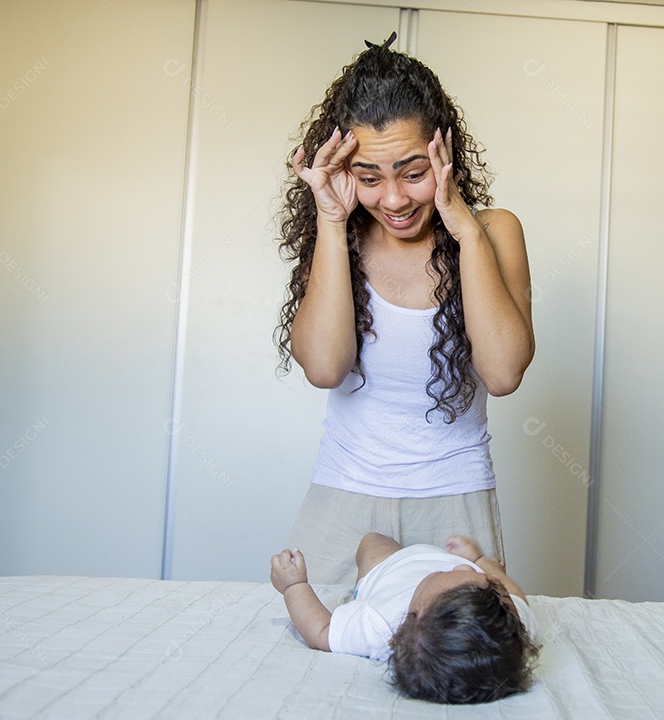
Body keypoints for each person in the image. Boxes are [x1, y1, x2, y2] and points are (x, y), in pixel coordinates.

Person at [274, 33, 534, 584]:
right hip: (344, 495)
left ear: (444, 155)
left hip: (453, 503)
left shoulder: (493, 232)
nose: (393, 199)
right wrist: (330, 219)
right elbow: (324, 368)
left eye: (413, 173)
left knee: (457, 664)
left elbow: (503, 372)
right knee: (320, 652)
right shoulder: (337, 237)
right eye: (370, 178)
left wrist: (463, 226)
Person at [270, 533, 541, 704]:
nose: (455, 567)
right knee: (488, 576)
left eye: (442, 575)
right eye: (486, 584)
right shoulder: (509, 625)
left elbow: (321, 630)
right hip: (451, 561)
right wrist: (481, 563)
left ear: (413, 616)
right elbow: (516, 596)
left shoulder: (378, 624)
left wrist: (294, 586)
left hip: (389, 569)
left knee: (372, 542)